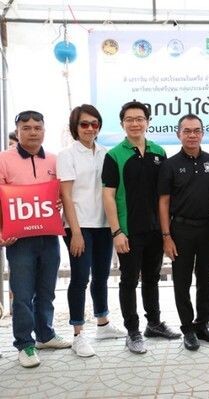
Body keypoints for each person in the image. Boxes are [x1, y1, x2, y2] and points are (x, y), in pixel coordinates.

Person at [102, 101, 181, 354]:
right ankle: (133, 331)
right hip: (129, 231)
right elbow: (108, 196)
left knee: (151, 278)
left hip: (155, 230)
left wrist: (166, 231)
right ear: (123, 123)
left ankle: (154, 324)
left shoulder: (159, 152)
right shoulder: (114, 155)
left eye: (140, 119)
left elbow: (164, 196)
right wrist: (117, 231)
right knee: (128, 281)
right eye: (129, 119)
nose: (135, 123)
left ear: (147, 121)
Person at [0, 110, 71, 368]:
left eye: (37, 127)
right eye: (26, 127)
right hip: (19, 240)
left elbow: (62, 193)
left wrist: (60, 201)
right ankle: (25, 344)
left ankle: (45, 334)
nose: (32, 132)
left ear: (44, 130)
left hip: (49, 235)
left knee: (46, 290)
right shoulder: (3, 160)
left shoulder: (54, 160)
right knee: (22, 293)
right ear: (17, 130)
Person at [57, 104, 127, 358]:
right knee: (79, 278)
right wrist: (74, 232)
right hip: (79, 226)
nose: (90, 128)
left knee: (101, 276)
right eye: (84, 124)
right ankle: (78, 334)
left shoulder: (105, 153)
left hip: (103, 224)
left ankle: (103, 324)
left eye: (94, 124)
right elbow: (65, 194)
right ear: (75, 127)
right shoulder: (67, 154)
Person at [158, 114, 209, 351]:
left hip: (208, 229)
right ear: (179, 134)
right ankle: (187, 329)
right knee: (182, 282)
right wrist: (167, 237)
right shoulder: (170, 165)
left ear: (203, 133)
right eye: (187, 131)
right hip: (181, 230)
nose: (192, 135)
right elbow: (163, 203)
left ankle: (202, 325)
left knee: (206, 280)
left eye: (196, 130)